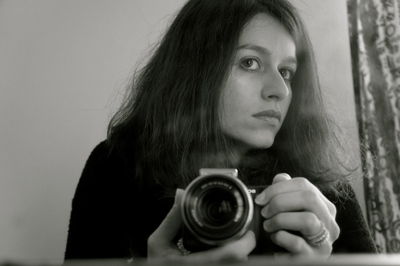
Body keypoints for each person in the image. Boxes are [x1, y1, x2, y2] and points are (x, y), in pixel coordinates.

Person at [64, 0, 377, 262]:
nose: (279, 90)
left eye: (287, 71)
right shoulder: (117, 167)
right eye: (250, 63)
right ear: (196, 69)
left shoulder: (318, 185)